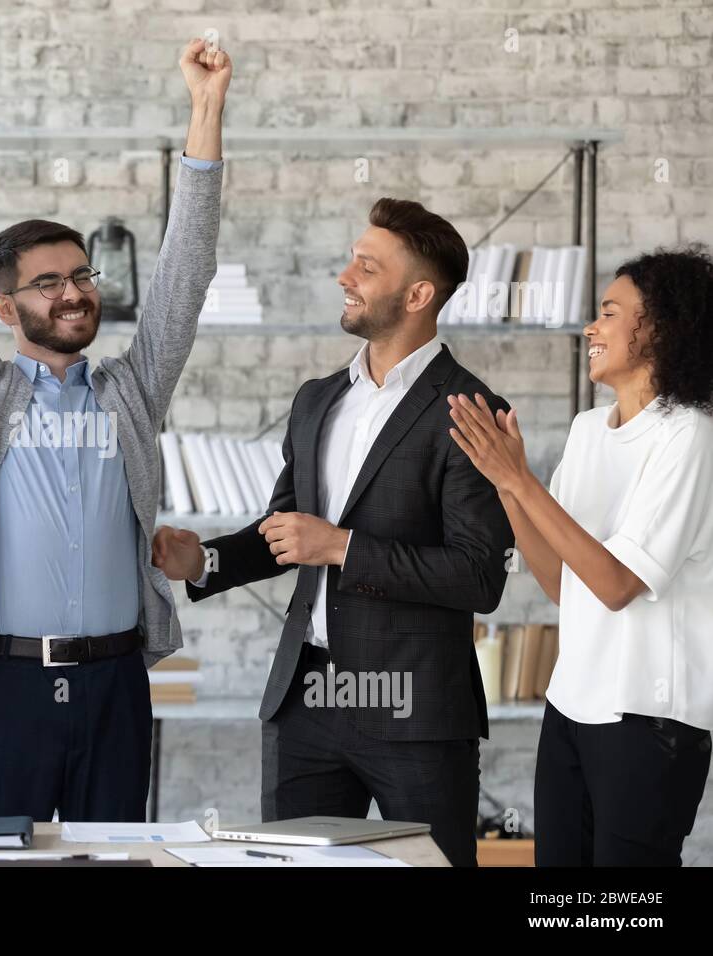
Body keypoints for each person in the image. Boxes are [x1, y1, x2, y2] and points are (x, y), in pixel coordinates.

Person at [0, 20, 229, 821]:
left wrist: (207, 108)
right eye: (48, 283)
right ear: (6, 306)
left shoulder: (130, 391)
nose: (75, 292)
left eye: (82, 274)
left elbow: (186, 273)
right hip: (6, 685)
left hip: (117, 684)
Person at [154, 199, 514, 867]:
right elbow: (286, 530)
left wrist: (342, 547)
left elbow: (480, 575)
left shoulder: (471, 410)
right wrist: (200, 559)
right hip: (307, 702)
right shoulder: (318, 399)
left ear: (417, 294)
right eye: (352, 258)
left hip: (417, 708)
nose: (345, 275)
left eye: (366, 266)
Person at [447, 245, 713, 866]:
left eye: (610, 312)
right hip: (570, 704)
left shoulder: (690, 435)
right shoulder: (588, 430)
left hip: (650, 719)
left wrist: (524, 482)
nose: (591, 327)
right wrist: (508, 486)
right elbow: (567, 585)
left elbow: (618, 583)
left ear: (661, 329)